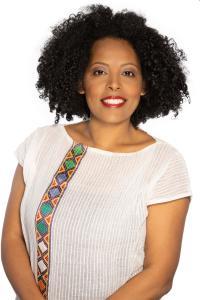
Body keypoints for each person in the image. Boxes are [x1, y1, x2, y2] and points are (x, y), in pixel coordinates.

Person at [1, 4, 193, 300]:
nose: (113, 84)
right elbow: (13, 239)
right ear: (80, 80)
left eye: (128, 73)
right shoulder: (40, 144)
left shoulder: (163, 163)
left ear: (144, 85)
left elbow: (159, 275)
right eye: (99, 71)